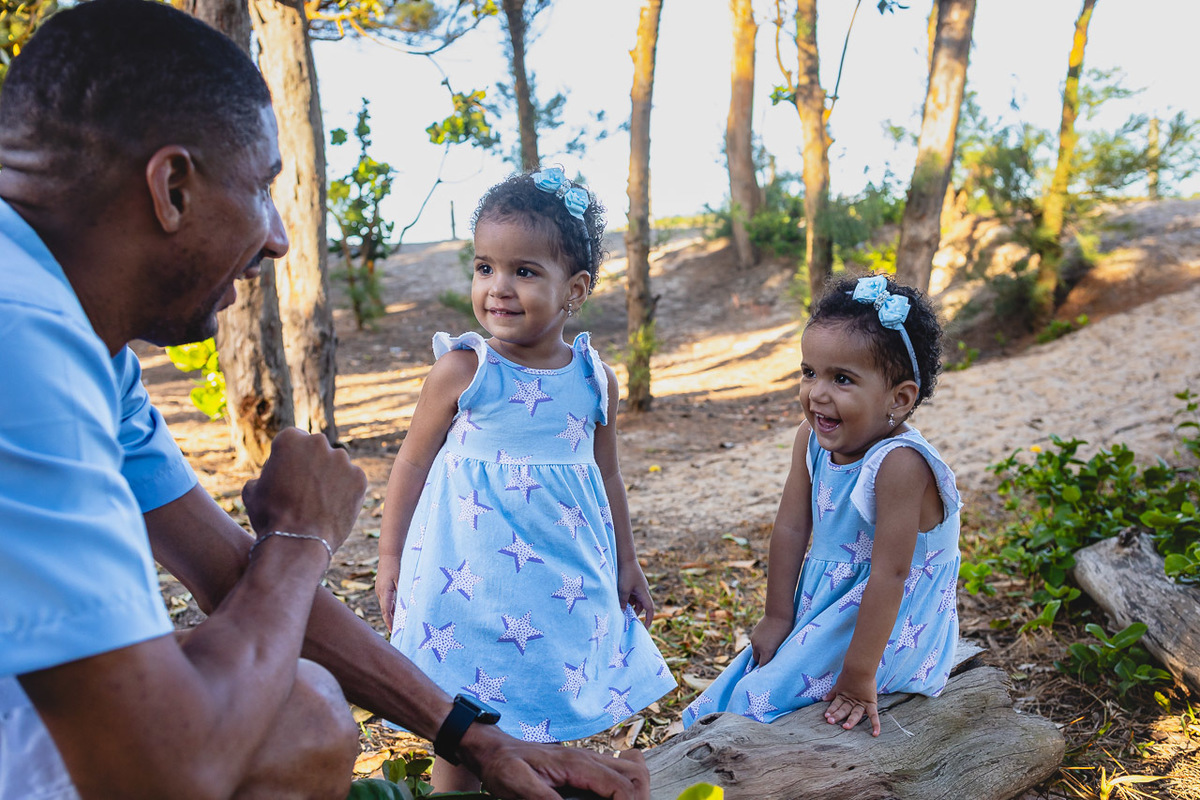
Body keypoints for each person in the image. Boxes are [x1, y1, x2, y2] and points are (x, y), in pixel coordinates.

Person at [0, 2, 649, 798]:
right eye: (264, 189)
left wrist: (483, 743)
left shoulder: (79, 338)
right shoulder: (23, 345)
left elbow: (227, 572)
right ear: (172, 187)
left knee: (287, 698)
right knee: (301, 715)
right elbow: (168, 768)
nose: (277, 236)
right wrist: (303, 537)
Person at [374, 167, 676, 792]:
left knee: (551, 703)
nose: (499, 288)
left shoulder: (595, 378)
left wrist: (627, 561)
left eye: (525, 271)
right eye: (485, 267)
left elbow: (609, 475)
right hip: (469, 585)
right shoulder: (465, 370)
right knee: (461, 719)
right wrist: (388, 554)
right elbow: (411, 462)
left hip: (562, 581)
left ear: (576, 289)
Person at [682, 274, 961, 737]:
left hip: (891, 624)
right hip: (828, 604)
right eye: (809, 372)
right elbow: (791, 529)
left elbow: (892, 575)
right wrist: (776, 616)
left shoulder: (901, 465)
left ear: (900, 397)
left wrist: (858, 676)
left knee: (759, 703)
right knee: (742, 681)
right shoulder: (811, 441)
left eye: (843, 379)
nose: (817, 393)